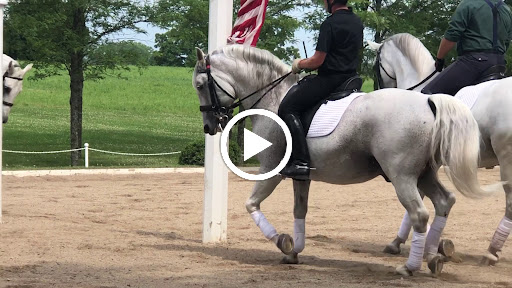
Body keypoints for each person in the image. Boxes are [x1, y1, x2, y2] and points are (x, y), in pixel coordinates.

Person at [278, 0, 363, 180]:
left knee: (288, 108)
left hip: (330, 79)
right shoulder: (357, 22)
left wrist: (300, 64)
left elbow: (317, 61)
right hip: (351, 79)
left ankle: (300, 162)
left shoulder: (330, 23)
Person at [421, 0, 512, 96]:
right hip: (499, 64)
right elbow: (506, 41)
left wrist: (439, 59)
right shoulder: (506, 9)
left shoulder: (469, 4)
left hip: (473, 63)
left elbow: (452, 35)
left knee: (427, 94)